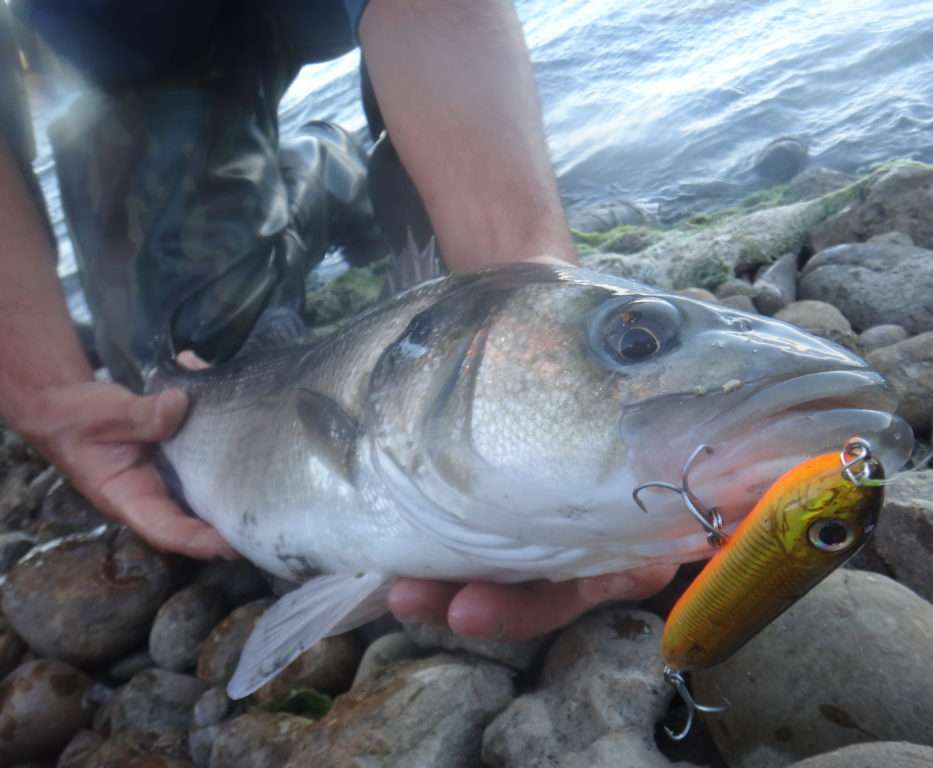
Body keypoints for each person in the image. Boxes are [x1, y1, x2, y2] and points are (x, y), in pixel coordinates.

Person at [0, 0, 676, 642]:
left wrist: (524, 277)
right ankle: (326, 168)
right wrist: (42, 392)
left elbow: (515, 286)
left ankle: (388, 165)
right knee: (186, 346)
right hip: (130, 40)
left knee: (466, 284)